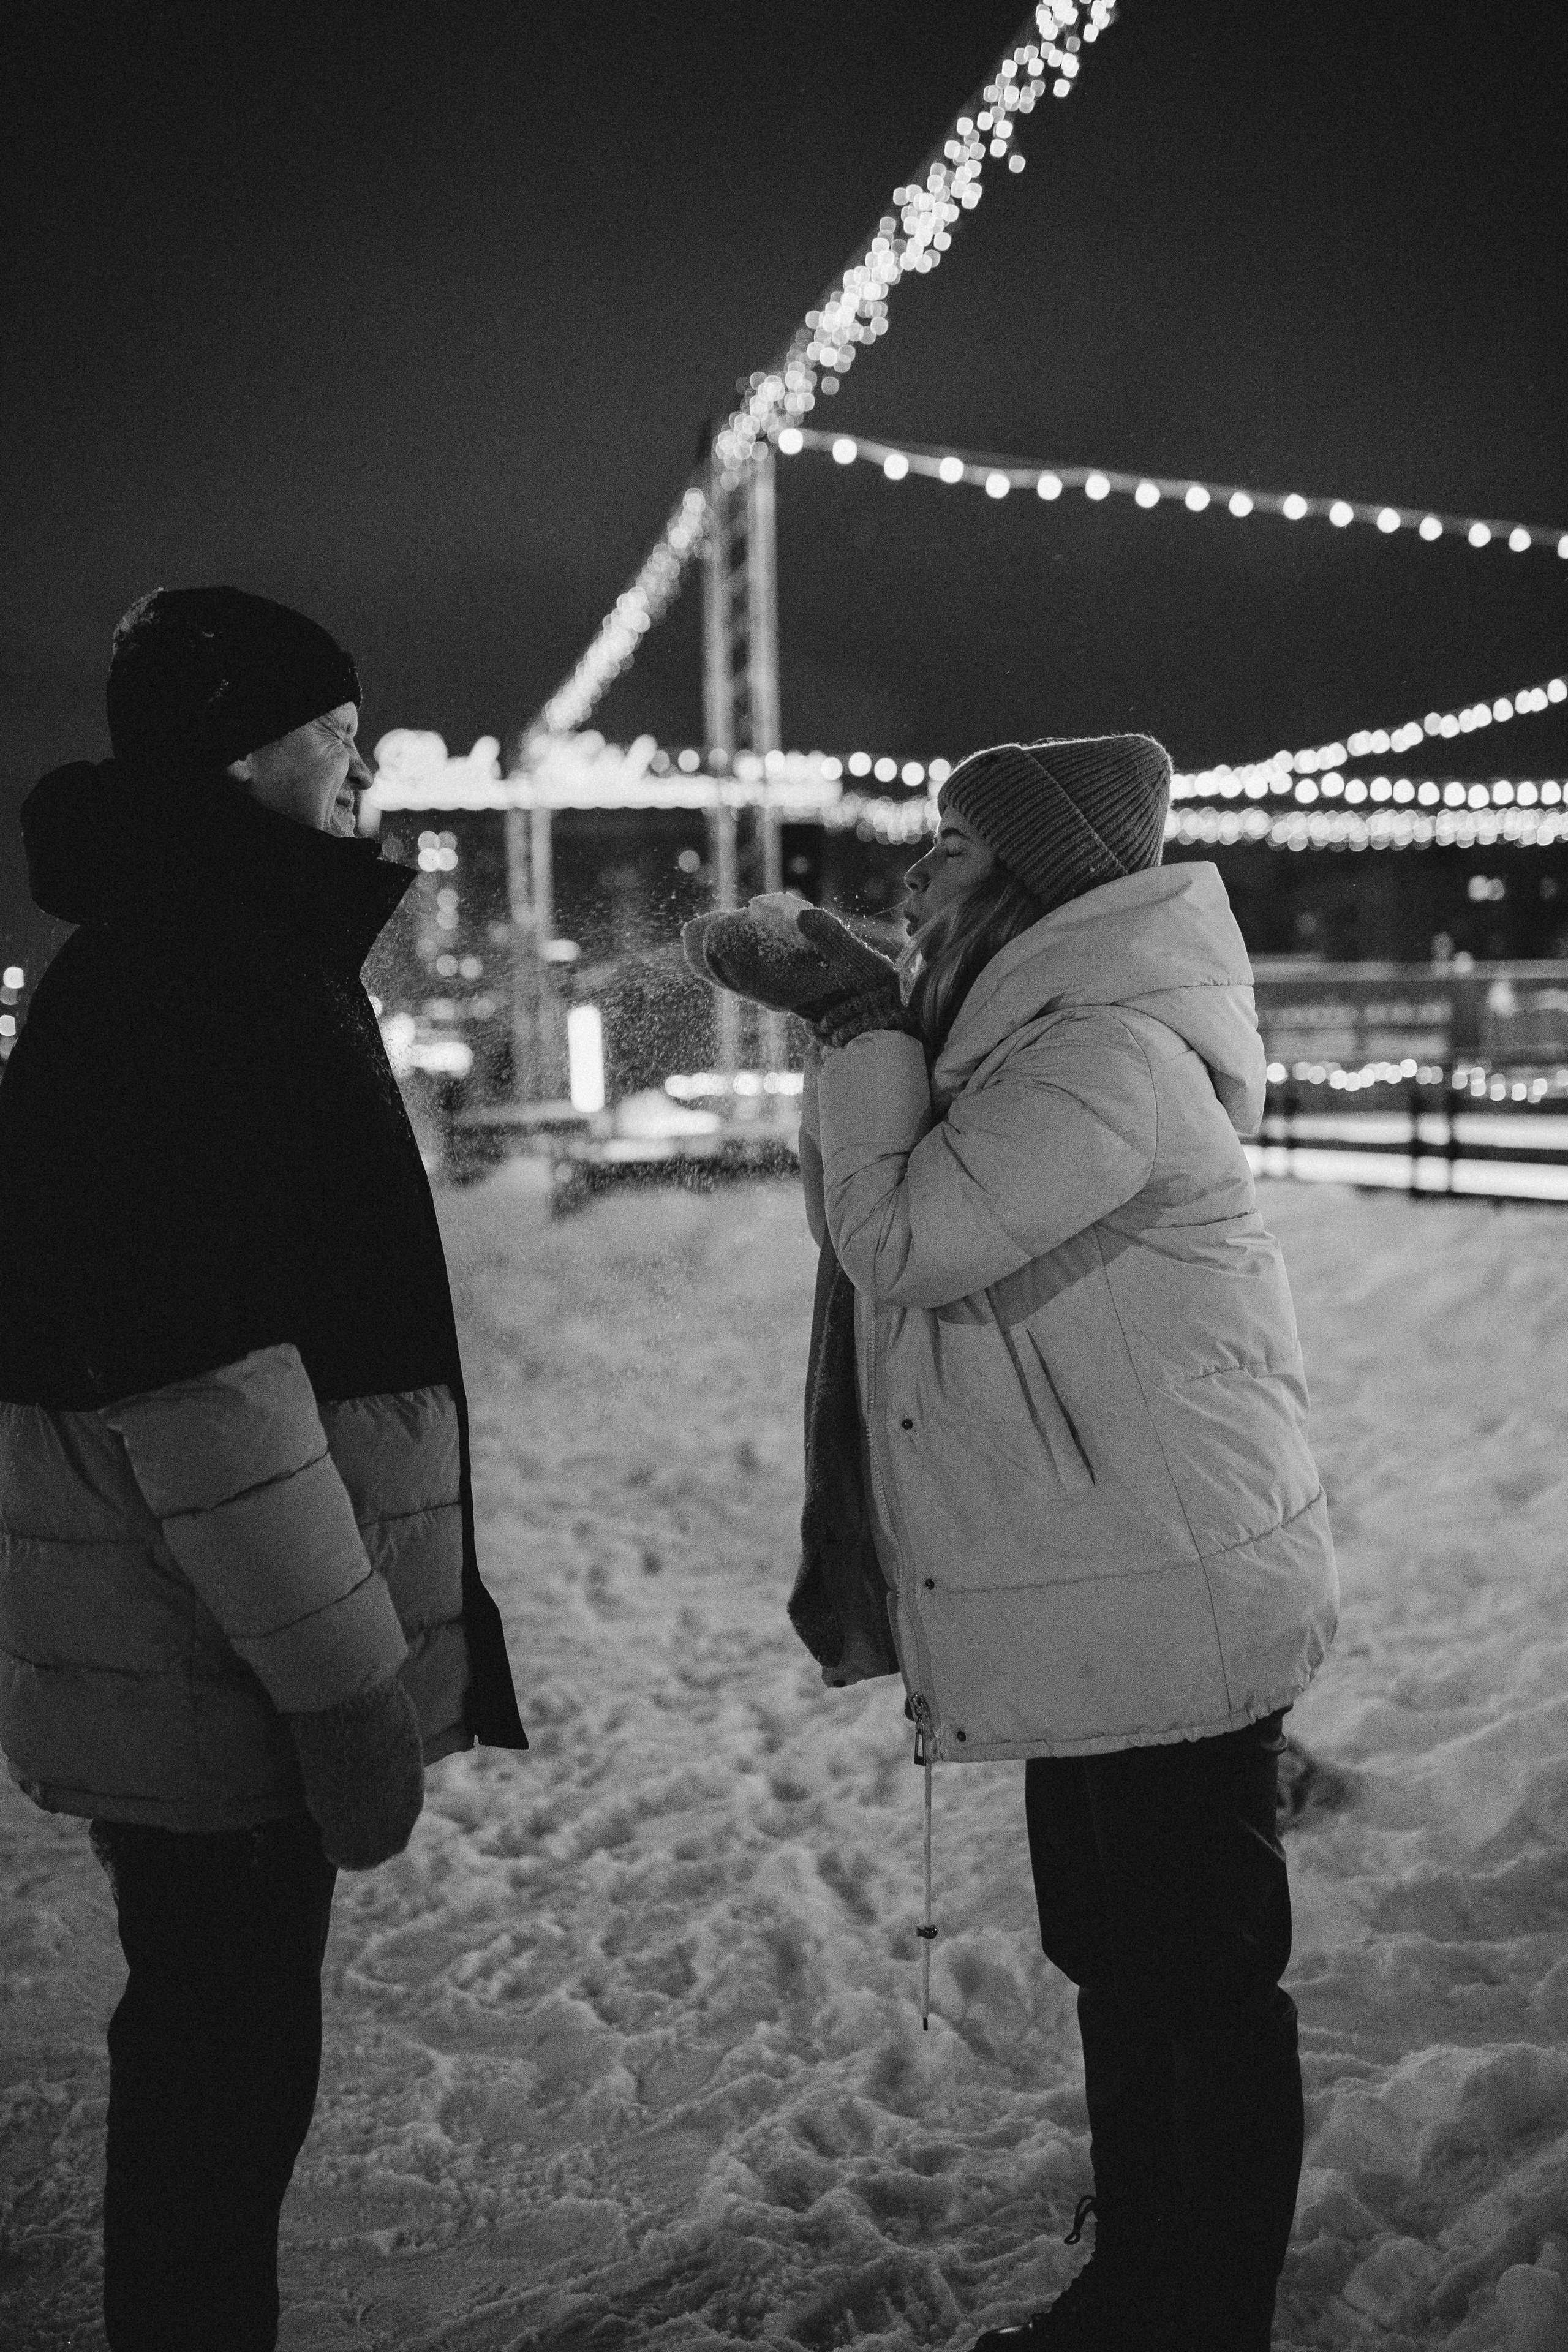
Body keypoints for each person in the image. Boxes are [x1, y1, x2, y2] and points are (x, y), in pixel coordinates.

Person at [687, 734, 1336, 2352]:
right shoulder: (1016, 1036)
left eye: (954, 852)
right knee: (1124, 1969)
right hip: (1102, 1580)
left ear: (1040, 877)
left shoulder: (1097, 1051)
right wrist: (883, 1025)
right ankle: (1147, 2285)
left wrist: (854, 1018)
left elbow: (905, 1234)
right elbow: (885, 1208)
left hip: (1161, 1590)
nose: (916, 878)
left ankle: (1204, 2313)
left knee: (1197, 1987)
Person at [0, 586, 527, 2352]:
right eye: (334, 730)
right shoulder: (202, 974)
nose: (362, 762)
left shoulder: (189, 946)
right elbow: (205, 1382)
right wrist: (341, 1684)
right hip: (221, 1653)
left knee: (213, 2061)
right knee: (223, 2081)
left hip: (190, 1635)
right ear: (244, 748)